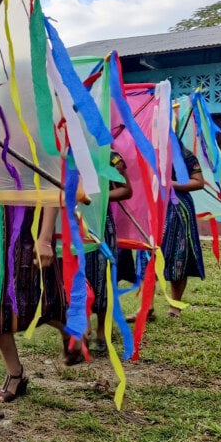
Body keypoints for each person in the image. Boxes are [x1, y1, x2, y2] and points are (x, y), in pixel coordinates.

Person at [0, 205, 77, 402]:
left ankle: (69, 329)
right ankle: (15, 373)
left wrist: (44, 238)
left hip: (31, 222)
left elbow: (52, 182)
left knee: (38, 296)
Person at [84, 151, 132, 354]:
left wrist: (98, 196)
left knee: (103, 276)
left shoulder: (110, 156)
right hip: (72, 222)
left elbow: (126, 190)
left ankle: (103, 331)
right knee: (78, 275)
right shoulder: (64, 149)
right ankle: (82, 330)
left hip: (102, 223)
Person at [161, 146, 205, 318]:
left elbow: (198, 182)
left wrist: (170, 184)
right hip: (152, 206)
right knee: (147, 257)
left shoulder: (185, 155)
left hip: (177, 208)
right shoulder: (148, 150)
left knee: (177, 255)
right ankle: (146, 307)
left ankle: (175, 305)